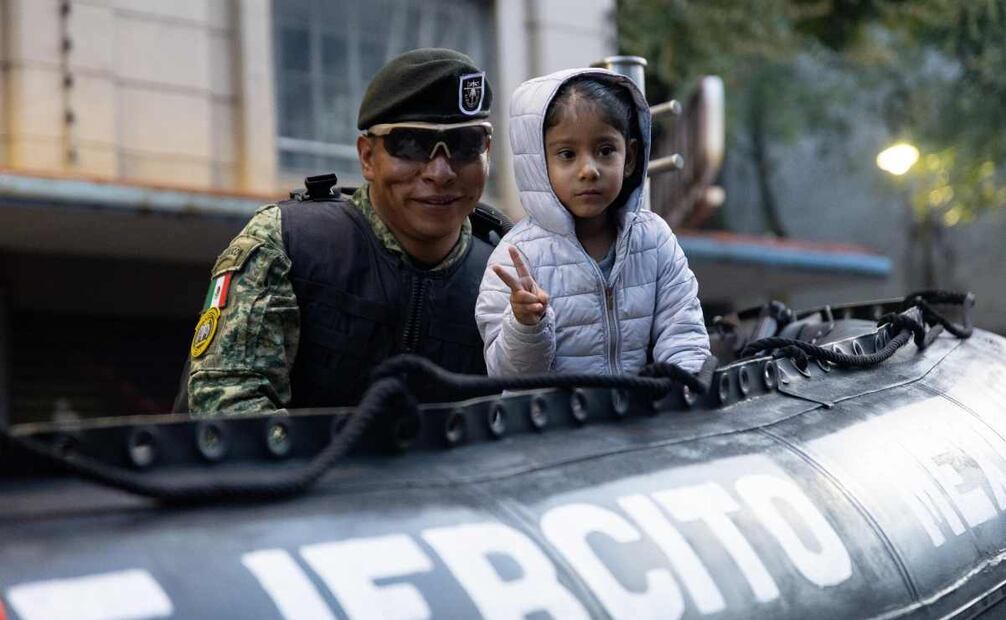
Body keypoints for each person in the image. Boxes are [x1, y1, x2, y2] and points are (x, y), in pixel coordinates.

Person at [184, 48, 505, 414]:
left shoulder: (507, 270)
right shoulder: (289, 243)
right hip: (297, 470)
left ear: (488, 151)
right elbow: (228, 410)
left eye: (466, 145)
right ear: (368, 157)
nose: (440, 172)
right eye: (412, 145)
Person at [476, 68, 710, 375]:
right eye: (567, 154)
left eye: (605, 150)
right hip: (558, 423)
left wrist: (681, 391)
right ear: (538, 163)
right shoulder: (515, 260)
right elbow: (509, 376)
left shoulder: (654, 240)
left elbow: (684, 336)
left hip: (642, 418)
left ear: (630, 158)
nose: (589, 170)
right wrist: (526, 323)